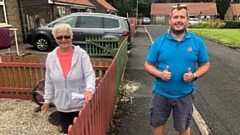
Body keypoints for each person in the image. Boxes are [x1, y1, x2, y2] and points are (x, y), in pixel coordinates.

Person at [144, 4, 210, 135]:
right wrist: (160, 75)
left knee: (183, 127)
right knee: (157, 123)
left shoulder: (197, 42)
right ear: (170, 20)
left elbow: (205, 65)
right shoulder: (159, 42)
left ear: (187, 20)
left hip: (184, 95)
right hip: (161, 94)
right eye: (175, 17)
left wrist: (194, 76)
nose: (178, 20)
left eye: (182, 17)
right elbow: (148, 65)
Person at [41, 23, 96, 135]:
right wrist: (47, 100)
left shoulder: (81, 55)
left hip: (80, 103)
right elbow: (49, 81)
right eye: (59, 37)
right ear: (55, 39)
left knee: (82, 131)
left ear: (72, 37)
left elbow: (89, 74)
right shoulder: (51, 57)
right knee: (66, 131)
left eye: (66, 36)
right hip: (61, 105)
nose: (63, 40)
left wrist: (89, 89)